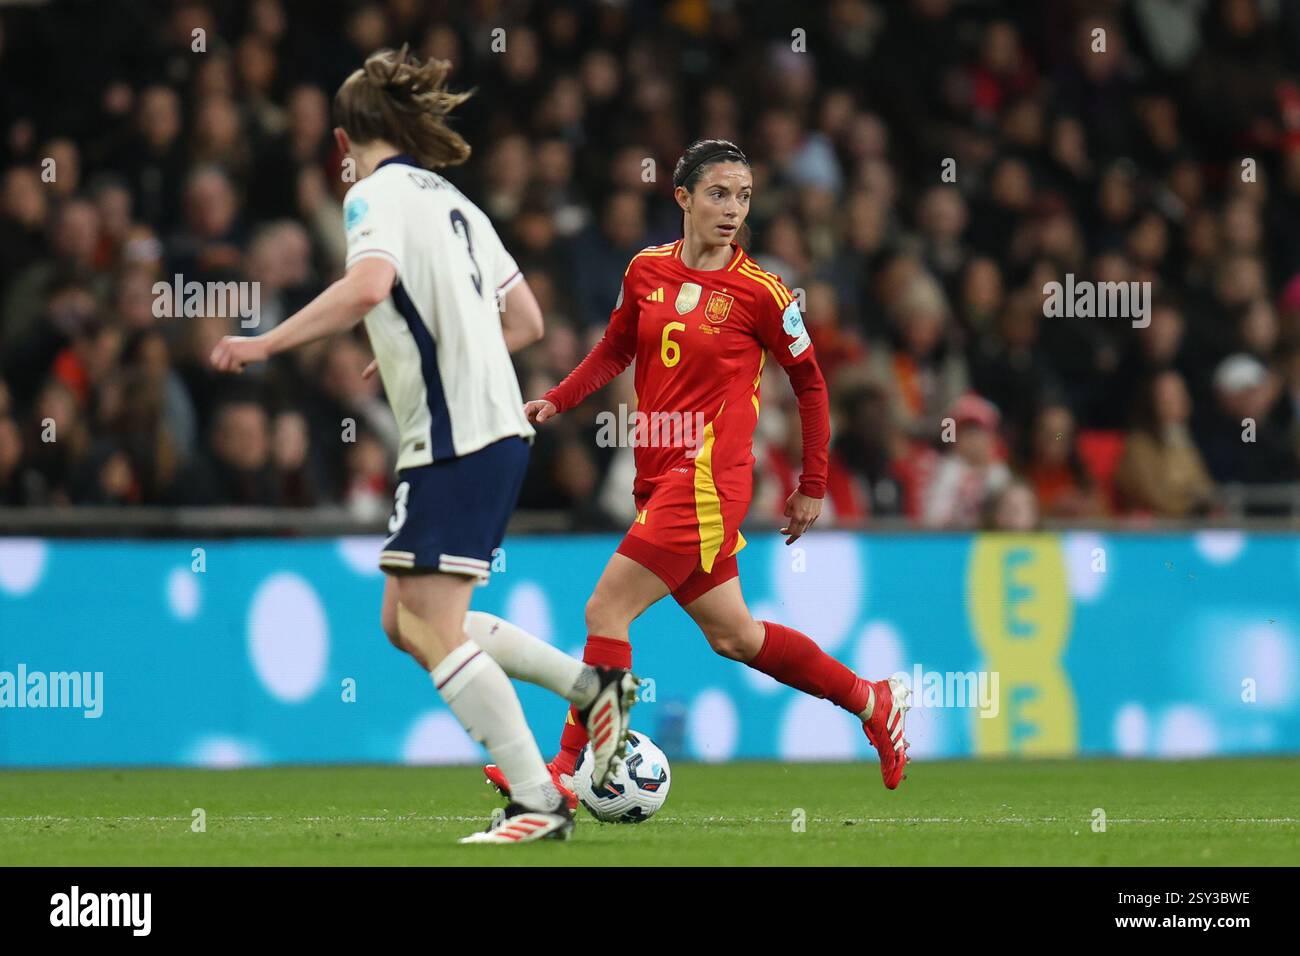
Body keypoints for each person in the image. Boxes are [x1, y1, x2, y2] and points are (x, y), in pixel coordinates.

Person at [210, 46, 636, 844]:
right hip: (489, 429)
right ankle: (591, 687)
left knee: (431, 627)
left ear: (343, 143)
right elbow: (528, 323)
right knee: (404, 621)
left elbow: (369, 285)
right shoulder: (457, 202)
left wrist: (268, 343)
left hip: (454, 438)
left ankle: (538, 801)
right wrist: (419, 336)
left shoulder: (370, 196)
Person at [482, 140, 911, 807]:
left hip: (709, 481)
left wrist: (814, 483)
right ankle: (871, 700)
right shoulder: (646, 270)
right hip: (657, 475)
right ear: (681, 197)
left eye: (743, 196)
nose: (732, 208)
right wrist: (559, 399)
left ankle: (565, 773)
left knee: (606, 609)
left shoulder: (762, 293)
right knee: (734, 635)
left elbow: (813, 386)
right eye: (718, 193)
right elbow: (616, 348)